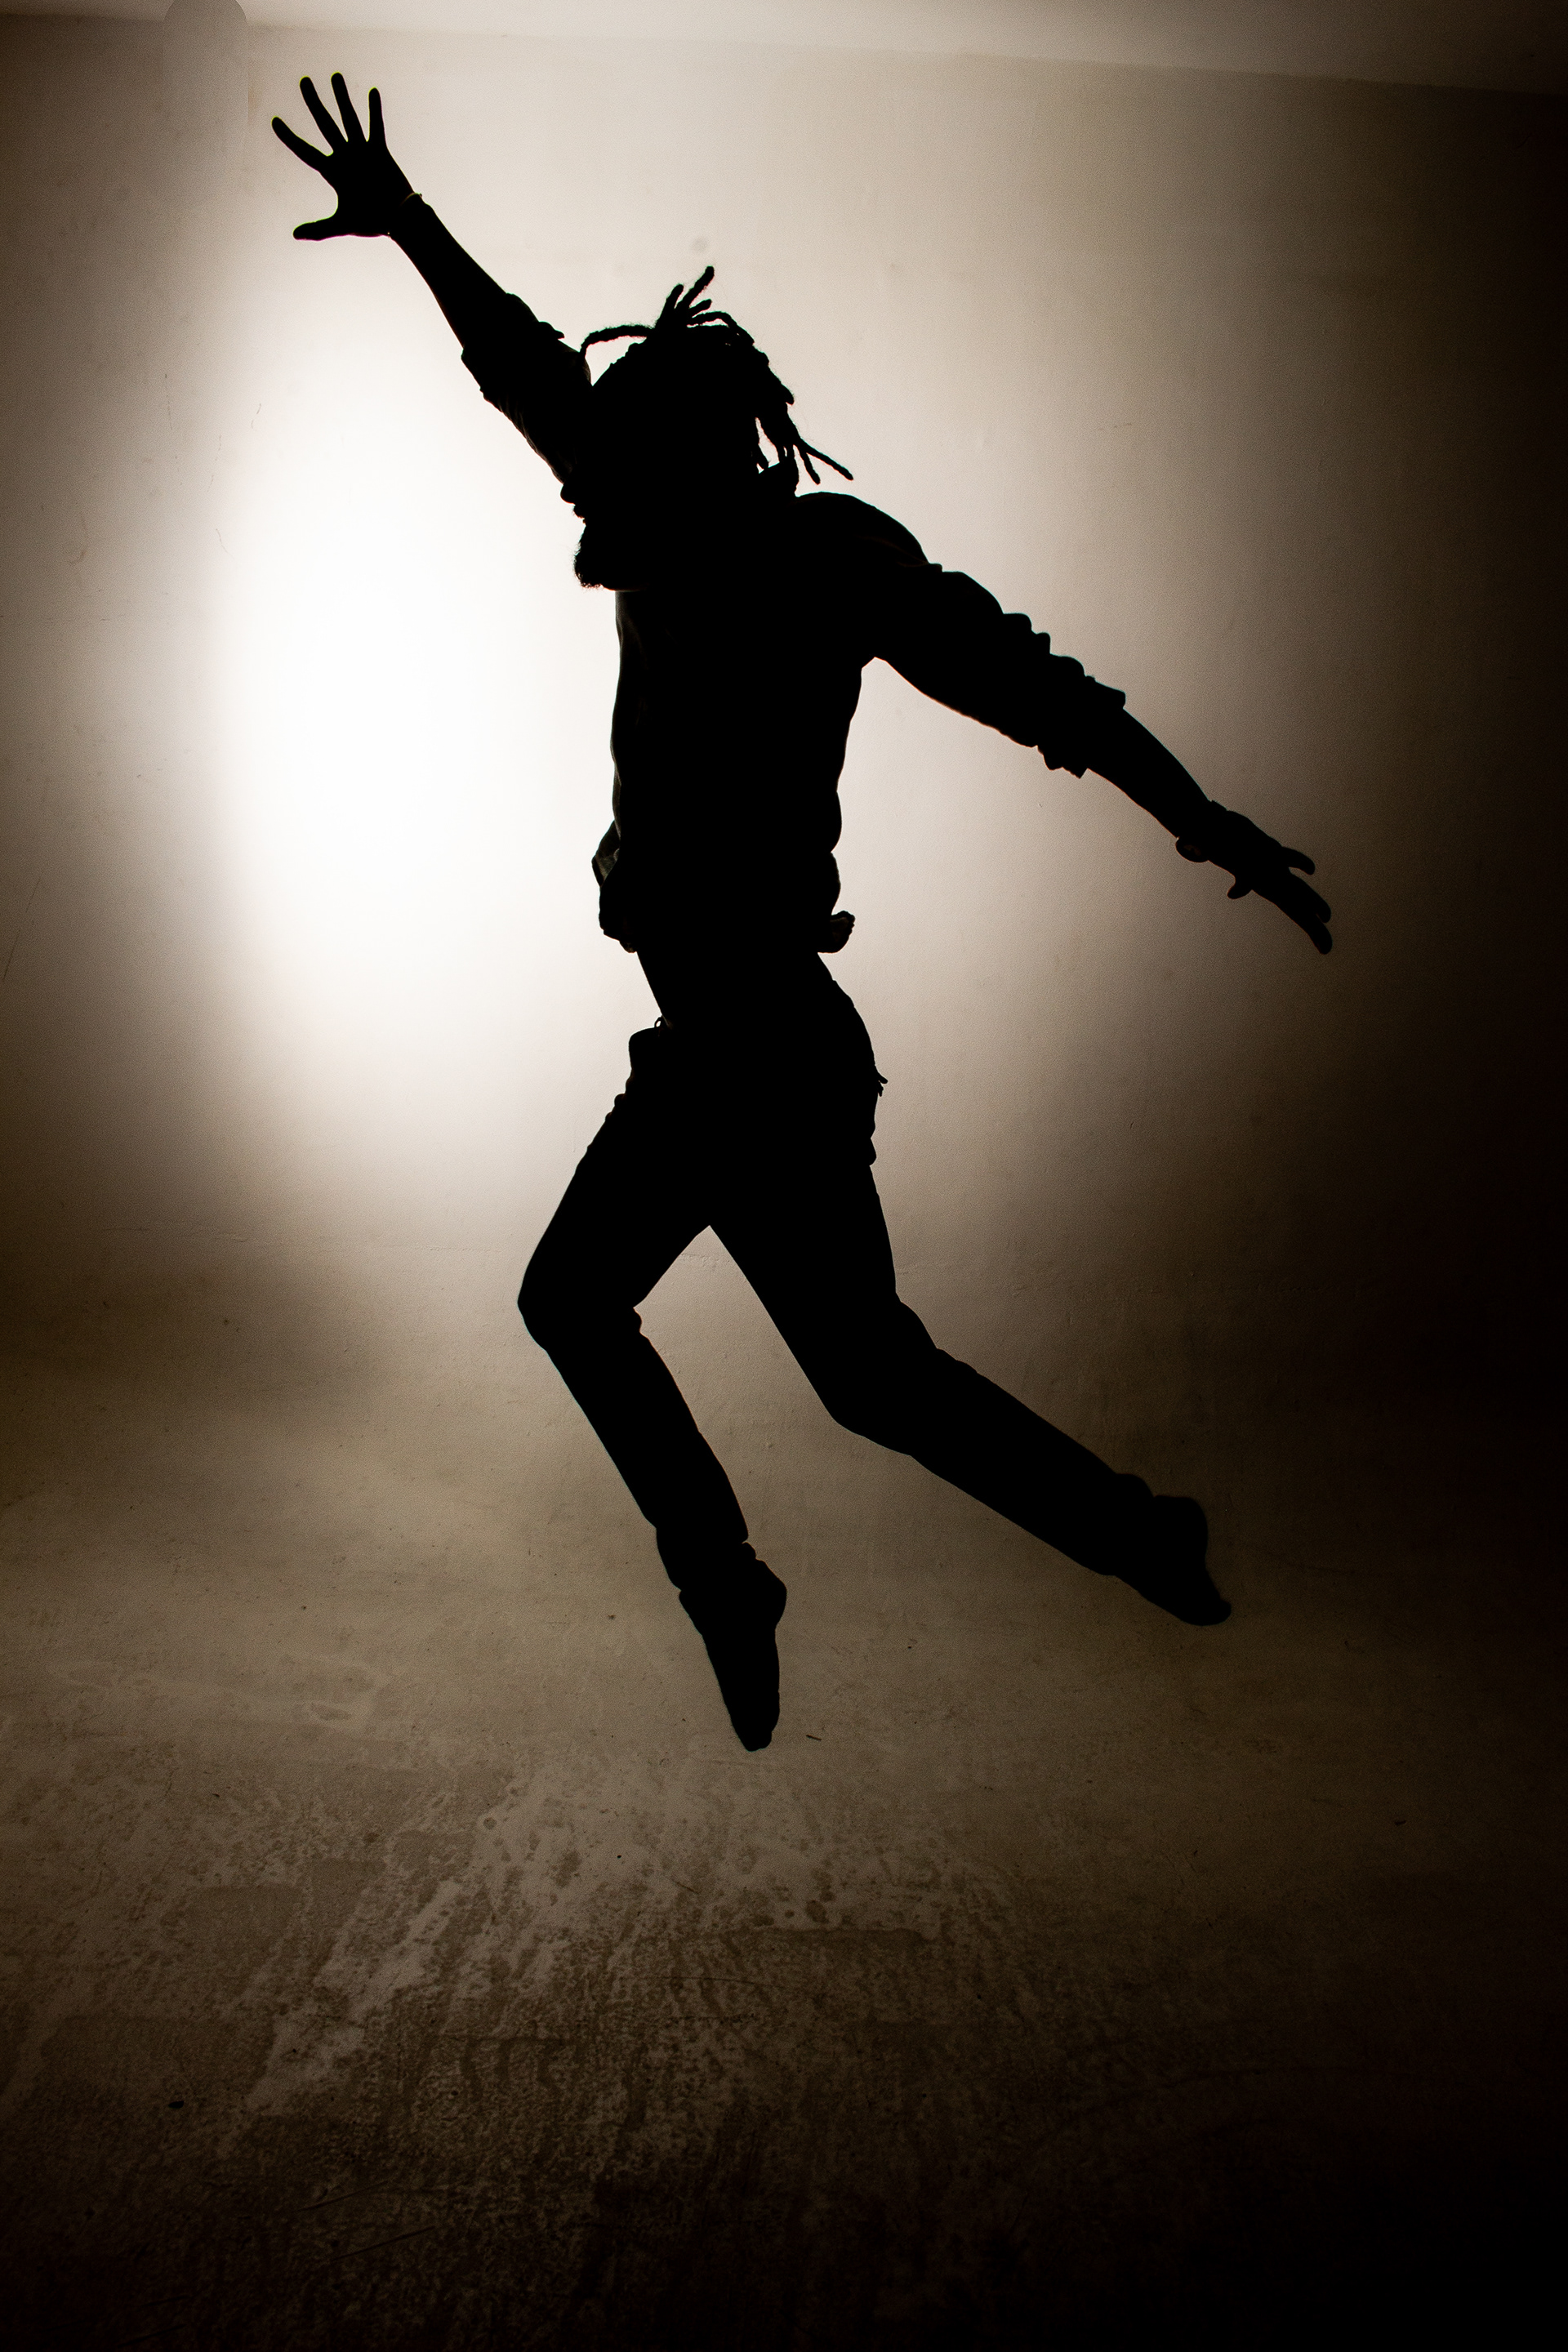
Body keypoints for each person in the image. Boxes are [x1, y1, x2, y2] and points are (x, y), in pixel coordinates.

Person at [273, 77, 1332, 1751]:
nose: (589, 495)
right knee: (866, 1377)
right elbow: (528, 369)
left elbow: (1035, 687)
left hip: (756, 1042)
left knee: (604, 1310)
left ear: (705, 449)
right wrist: (411, 225)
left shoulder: (828, 557)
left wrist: (1203, 819)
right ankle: (1133, 1534)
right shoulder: (654, 517)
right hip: (735, 1038)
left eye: (623, 463)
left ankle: (735, 1579)